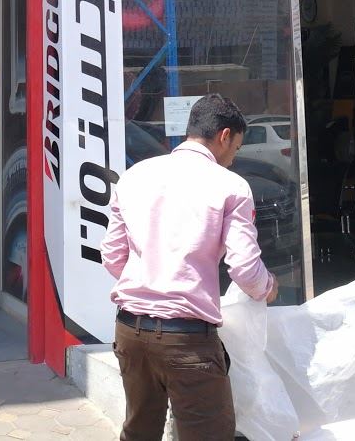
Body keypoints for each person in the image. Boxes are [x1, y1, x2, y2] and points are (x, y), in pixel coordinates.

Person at [102, 94, 279, 441]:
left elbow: (112, 256)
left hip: (129, 332)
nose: (233, 157)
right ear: (224, 136)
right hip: (187, 340)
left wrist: (150, 280)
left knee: (138, 433)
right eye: (236, 147)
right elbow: (244, 268)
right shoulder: (231, 186)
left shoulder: (135, 176)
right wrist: (268, 287)